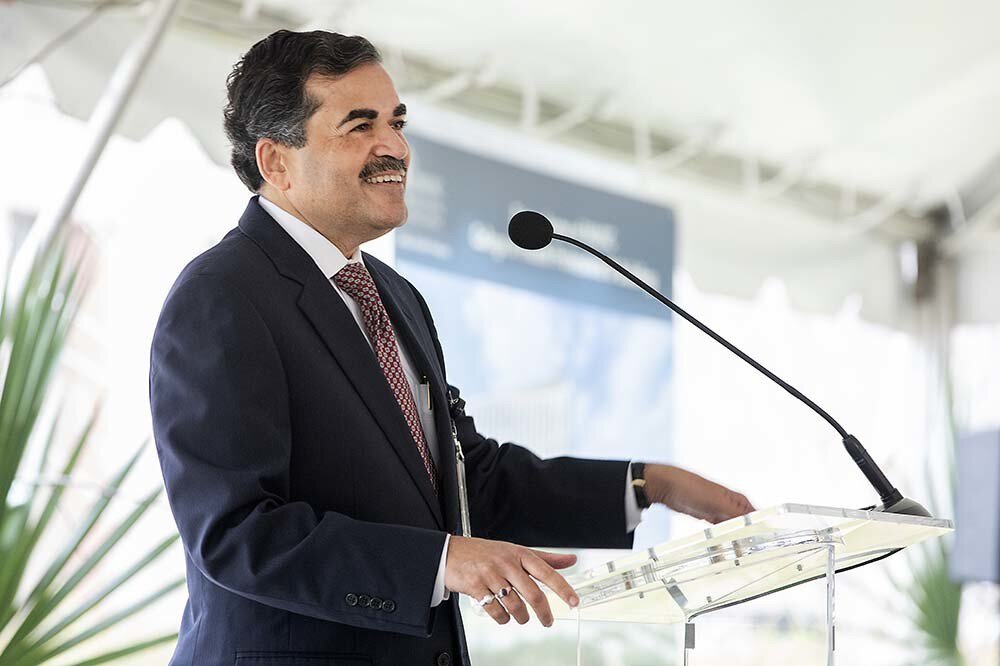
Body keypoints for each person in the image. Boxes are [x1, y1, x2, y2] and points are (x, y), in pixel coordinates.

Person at [149, 29, 754, 666]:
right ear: (276, 162)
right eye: (360, 125)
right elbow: (236, 533)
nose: (395, 147)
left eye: (396, 122)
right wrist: (442, 561)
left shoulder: (394, 295)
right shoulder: (223, 295)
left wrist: (648, 485)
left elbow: (469, 478)